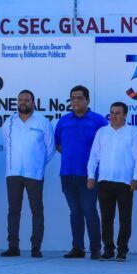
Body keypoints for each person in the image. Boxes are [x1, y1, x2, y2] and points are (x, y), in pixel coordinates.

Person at [55, 85, 108, 260]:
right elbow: (59, 146)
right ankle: (77, 248)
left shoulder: (98, 121)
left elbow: (105, 147)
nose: (75, 101)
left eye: (79, 98)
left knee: (89, 211)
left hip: (89, 176)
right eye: (72, 98)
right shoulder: (63, 121)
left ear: (88, 100)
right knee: (74, 212)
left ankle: (95, 249)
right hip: (67, 174)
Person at [1, 89, 55, 258]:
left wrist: (38, 164)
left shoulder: (42, 122)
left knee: (36, 210)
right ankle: (13, 247)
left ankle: (35, 247)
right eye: (20, 100)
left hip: (34, 174)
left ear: (33, 102)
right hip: (13, 173)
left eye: (27, 100)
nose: (23, 102)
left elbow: (50, 149)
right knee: (13, 210)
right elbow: (7, 144)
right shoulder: (9, 122)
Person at [87, 102, 137, 261]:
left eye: (118, 113)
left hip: (125, 182)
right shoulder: (102, 132)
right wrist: (91, 176)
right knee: (106, 218)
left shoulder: (133, 133)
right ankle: (108, 249)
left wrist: (136, 178)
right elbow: (94, 157)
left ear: (125, 115)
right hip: (104, 182)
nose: (114, 116)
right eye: (112, 112)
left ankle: (122, 250)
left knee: (125, 218)